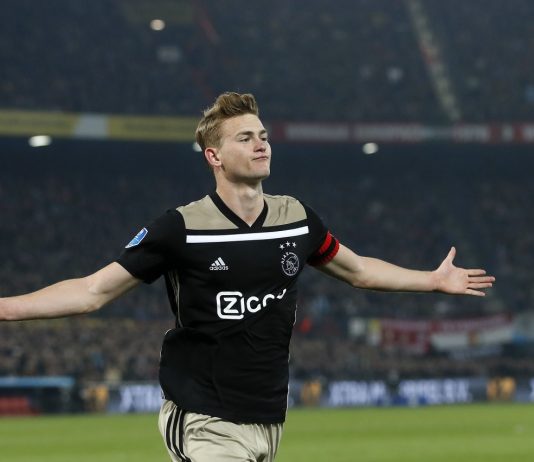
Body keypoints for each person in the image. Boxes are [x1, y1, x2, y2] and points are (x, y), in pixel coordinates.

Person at [0, 92, 495, 461]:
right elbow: (92, 291)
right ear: (214, 156)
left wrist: (432, 280)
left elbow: (359, 270)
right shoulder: (181, 227)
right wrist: (7, 307)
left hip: (267, 416)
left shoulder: (296, 218)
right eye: (245, 138)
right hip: (204, 415)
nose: (261, 144)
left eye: (263, 136)